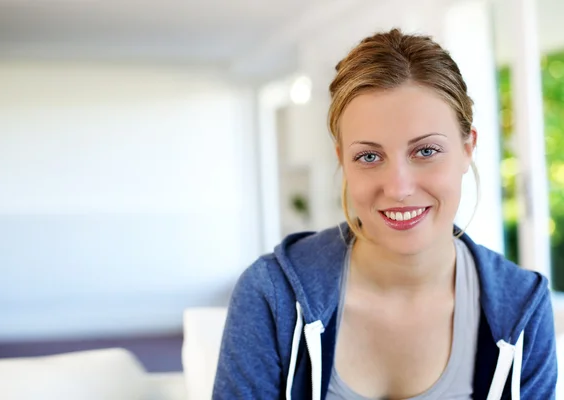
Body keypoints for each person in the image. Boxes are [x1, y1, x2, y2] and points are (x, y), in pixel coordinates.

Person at [212, 28, 557, 400]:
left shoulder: (522, 307)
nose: (398, 188)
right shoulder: (272, 295)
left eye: (425, 151)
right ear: (342, 159)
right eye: (369, 156)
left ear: (468, 147)